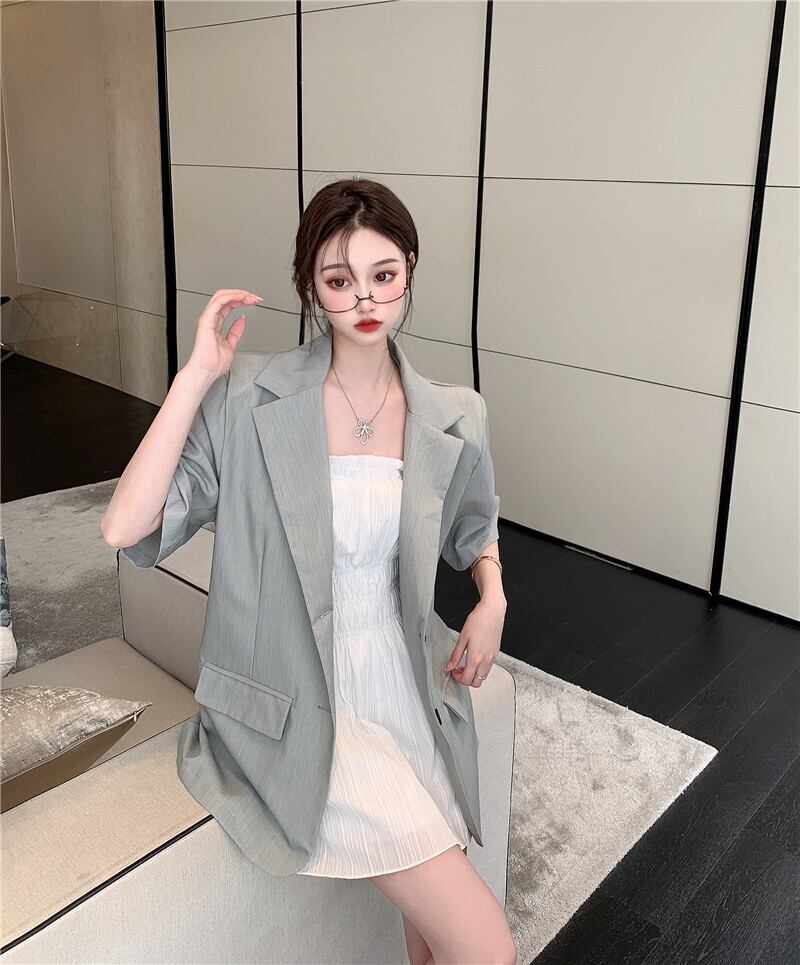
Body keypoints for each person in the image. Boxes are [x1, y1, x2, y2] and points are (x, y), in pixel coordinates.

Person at [102, 177, 516, 965]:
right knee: (486, 948)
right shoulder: (247, 398)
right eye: (338, 279)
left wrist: (492, 594)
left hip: (407, 684)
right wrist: (195, 375)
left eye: (383, 275)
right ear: (310, 288)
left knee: (435, 943)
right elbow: (125, 527)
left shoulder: (454, 411)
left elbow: (475, 520)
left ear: (410, 270)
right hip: (293, 701)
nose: (364, 299)